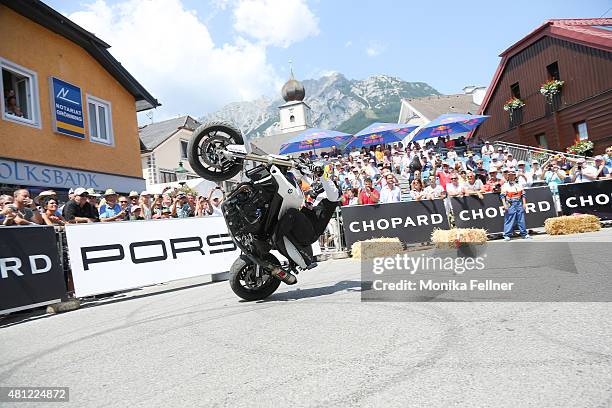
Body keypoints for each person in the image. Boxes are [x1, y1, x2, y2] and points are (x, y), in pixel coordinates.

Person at [500, 169, 531, 241]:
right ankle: (507, 235)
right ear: (507, 176)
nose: (511, 177)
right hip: (510, 203)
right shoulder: (505, 185)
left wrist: (524, 203)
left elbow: (523, 195)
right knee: (509, 219)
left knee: (521, 219)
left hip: (519, 203)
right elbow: (502, 196)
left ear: (515, 176)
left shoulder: (519, 184)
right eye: (509, 175)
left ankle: (524, 234)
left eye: (512, 175)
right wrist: (504, 204)